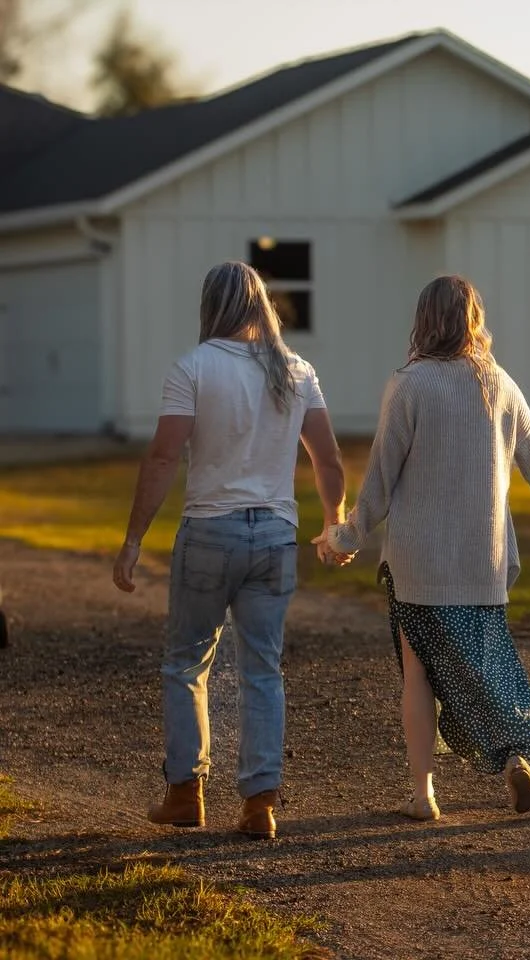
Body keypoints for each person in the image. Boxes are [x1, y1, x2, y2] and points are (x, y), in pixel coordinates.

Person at [322, 275, 530, 821]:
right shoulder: (499, 384)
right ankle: (514, 755)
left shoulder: (409, 384)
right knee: (487, 666)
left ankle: (423, 795)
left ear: (423, 320)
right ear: (474, 319)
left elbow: (380, 478)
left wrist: (344, 537)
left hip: (419, 563)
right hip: (484, 560)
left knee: (419, 675)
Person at [112, 261, 347, 840]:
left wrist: (134, 540)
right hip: (275, 535)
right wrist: (335, 523)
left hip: (209, 533)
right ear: (261, 305)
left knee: (186, 663)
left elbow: (163, 456)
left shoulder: (193, 367)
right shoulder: (296, 370)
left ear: (209, 305)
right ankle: (259, 803)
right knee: (262, 667)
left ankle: (185, 793)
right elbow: (328, 459)